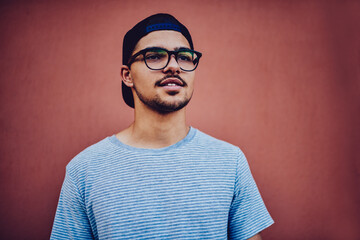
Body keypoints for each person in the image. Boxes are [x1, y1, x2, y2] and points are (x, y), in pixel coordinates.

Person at [50, 13, 274, 240]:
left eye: (185, 57)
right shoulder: (85, 170)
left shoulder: (230, 162)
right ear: (127, 75)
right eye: (155, 56)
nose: (174, 66)